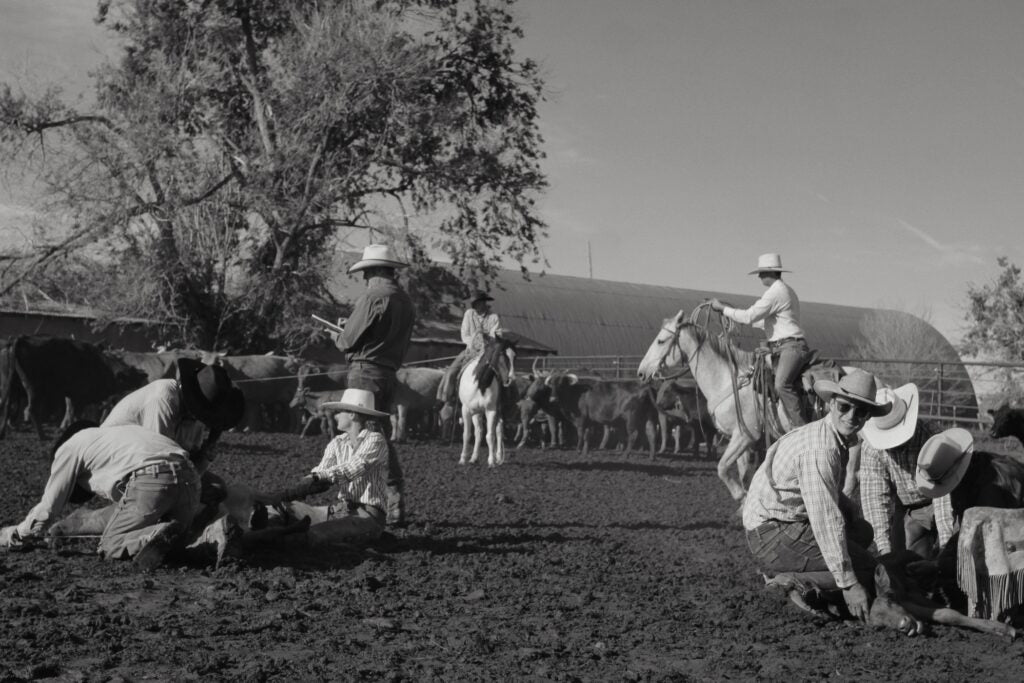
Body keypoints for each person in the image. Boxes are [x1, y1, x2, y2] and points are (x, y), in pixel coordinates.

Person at [743, 369, 892, 623]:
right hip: (774, 533)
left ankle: (814, 584)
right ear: (832, 404)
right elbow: (824, 518)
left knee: (862, 532)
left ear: (867, 417)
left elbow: (827, 499)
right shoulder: (821, 449)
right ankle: (792, 582)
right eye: (845, 407)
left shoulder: (828, 435)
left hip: (776, 524)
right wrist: (849, 583)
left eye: (861, 412)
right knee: (868, 571)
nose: (851, 417)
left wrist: (850, 510)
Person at [0, 423, 200, 571]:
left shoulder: (69, 449)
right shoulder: (118, 437)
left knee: (110, 544)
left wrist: (16, 534)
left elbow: (48, 510)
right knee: (181, 545)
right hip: (191, 478)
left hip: (153, 477)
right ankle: (215, 535)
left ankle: (156, 532)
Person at [333, 244, 415, 526]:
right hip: (388, 374)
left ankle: (359, 501)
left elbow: (347, 341)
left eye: (366, 273)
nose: (365, 279)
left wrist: (340, 334)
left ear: (377, 271)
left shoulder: (373, 297)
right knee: (377, 435)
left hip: (364, 373)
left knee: (357, 435)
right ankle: (391, 500)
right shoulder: (406, 301)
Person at [246, 389, 390, 548]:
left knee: (313, 535)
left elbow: (354, 468)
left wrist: (317, 478)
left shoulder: (375, 440)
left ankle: (263, 539)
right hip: (339, 511)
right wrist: (290, 492)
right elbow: (321, 474)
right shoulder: (337, 442)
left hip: (368, 516)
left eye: (339, 412)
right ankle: (266, 530)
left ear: (352, 415)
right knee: (283, 509)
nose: (335, 416)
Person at [709, 253, 811, 428]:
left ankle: (802, 428)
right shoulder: (784, 291)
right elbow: (765, 322)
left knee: (781, 385)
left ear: (769, 273)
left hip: (789, 348)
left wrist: (723, 309)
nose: (759, 276)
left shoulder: (776, 292)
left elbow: (749, 316)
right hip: (783, 347)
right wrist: (732, 315)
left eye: (762, 273)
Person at [102, 358, 246, 476]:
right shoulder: (163, 397)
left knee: (215, 490)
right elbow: (158, 459)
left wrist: (206, 453)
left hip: (156, 466)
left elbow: (190, 464)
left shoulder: (196, 415)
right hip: (116, 461)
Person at [858, 383, 954, 559]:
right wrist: (884, 551)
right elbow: (875, 499)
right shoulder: (872, 449)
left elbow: (944, 493)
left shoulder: (931, 436)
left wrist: (946, 544)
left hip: (946, 499)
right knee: (905, 558)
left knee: (956, 553)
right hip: (911, 507)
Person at [437, 292, 504, 406]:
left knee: (504, 372)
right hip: (471, 350)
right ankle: (445, 399)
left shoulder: (493, 317)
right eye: (475, 304)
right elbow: (465, 333)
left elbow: (498, 334)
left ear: (484, 303)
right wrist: (473, 343)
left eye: (479, 303)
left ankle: (507, 401)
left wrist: (487, 339)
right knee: (451, 371)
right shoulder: (469, 314)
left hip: (489, 351)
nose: (477, 306)